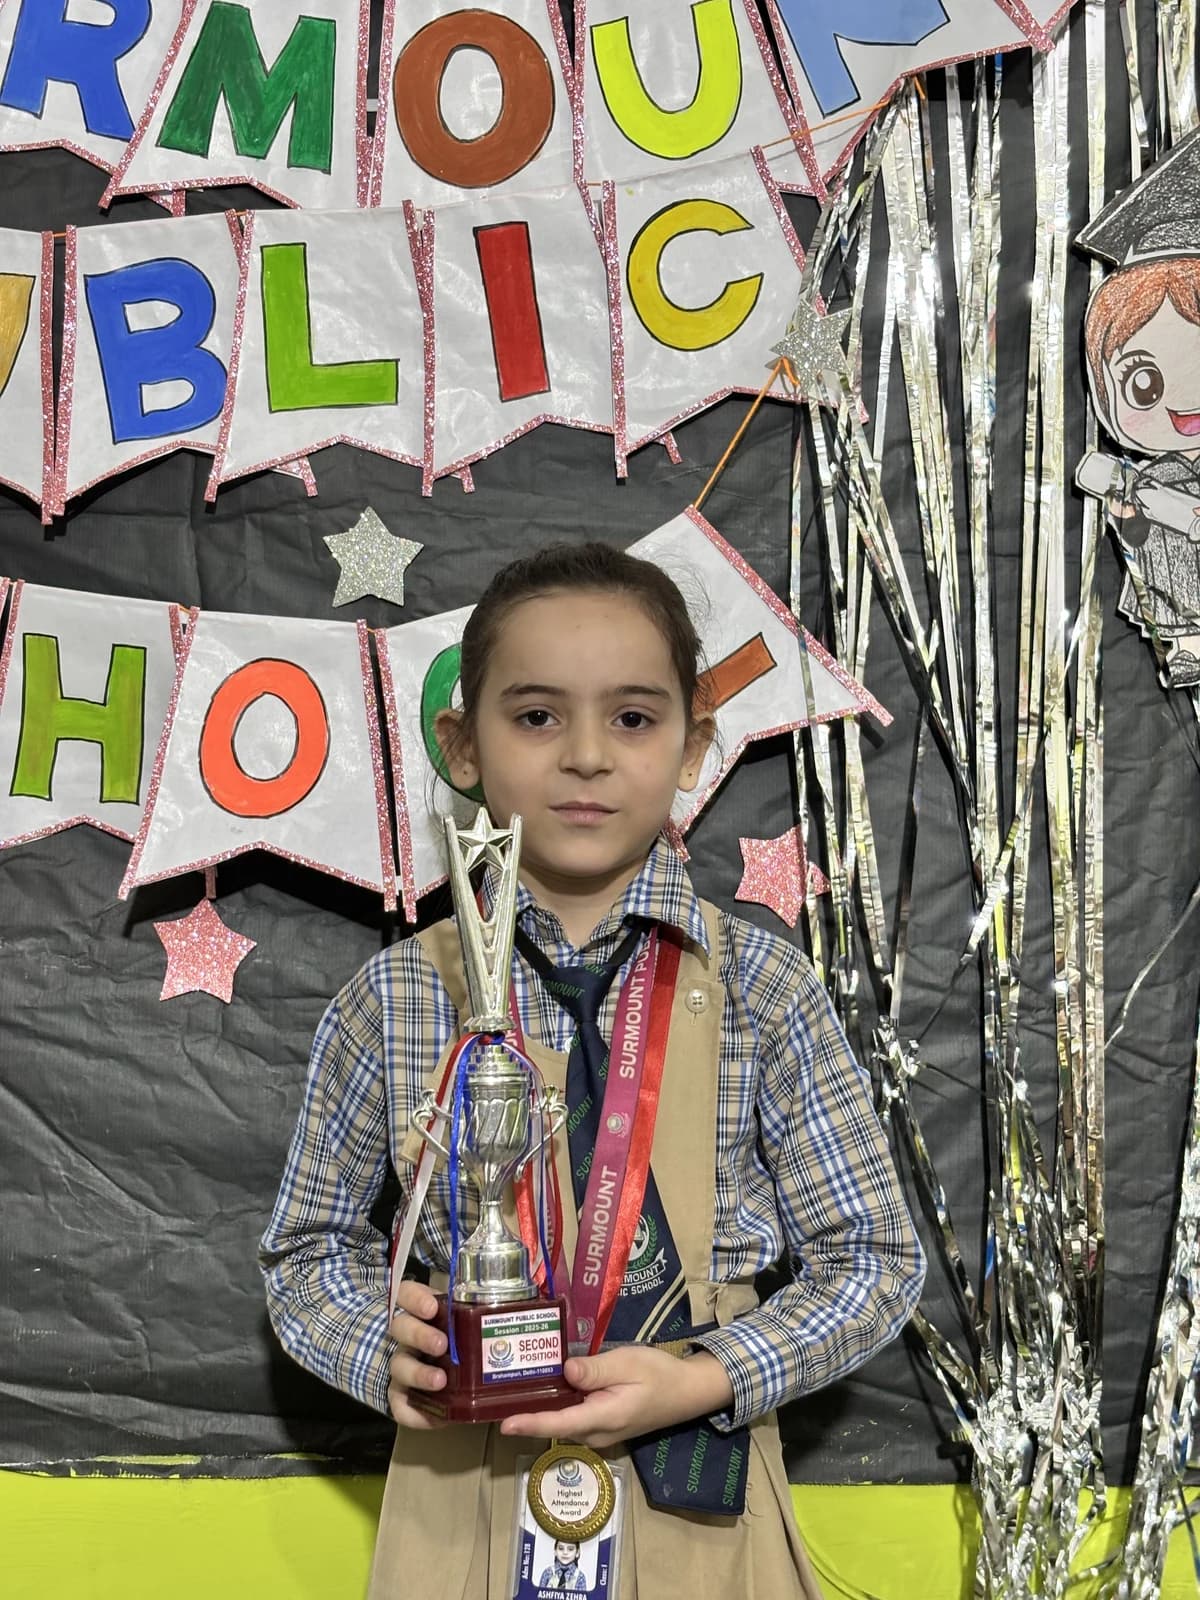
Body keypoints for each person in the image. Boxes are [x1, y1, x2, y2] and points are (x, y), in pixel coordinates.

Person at [260, 541, 925, 1600]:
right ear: (461, 744)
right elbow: (304, 1253)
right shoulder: (393, 997)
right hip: (460, 1492)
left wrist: (707, 1377)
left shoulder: (763, 983)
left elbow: (876, 1260)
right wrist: (377, 1353)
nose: (585, 755)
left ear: (695, 745)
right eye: (534, 715)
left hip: (698, 1488)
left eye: (632, 716)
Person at [1083, 256, 1200, 685]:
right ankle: (1189, 648)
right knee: (1177, 594)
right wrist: (1128, 519)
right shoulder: (1149, 479)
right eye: (1144, 382)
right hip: (1173, 567)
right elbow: (1138, 539)